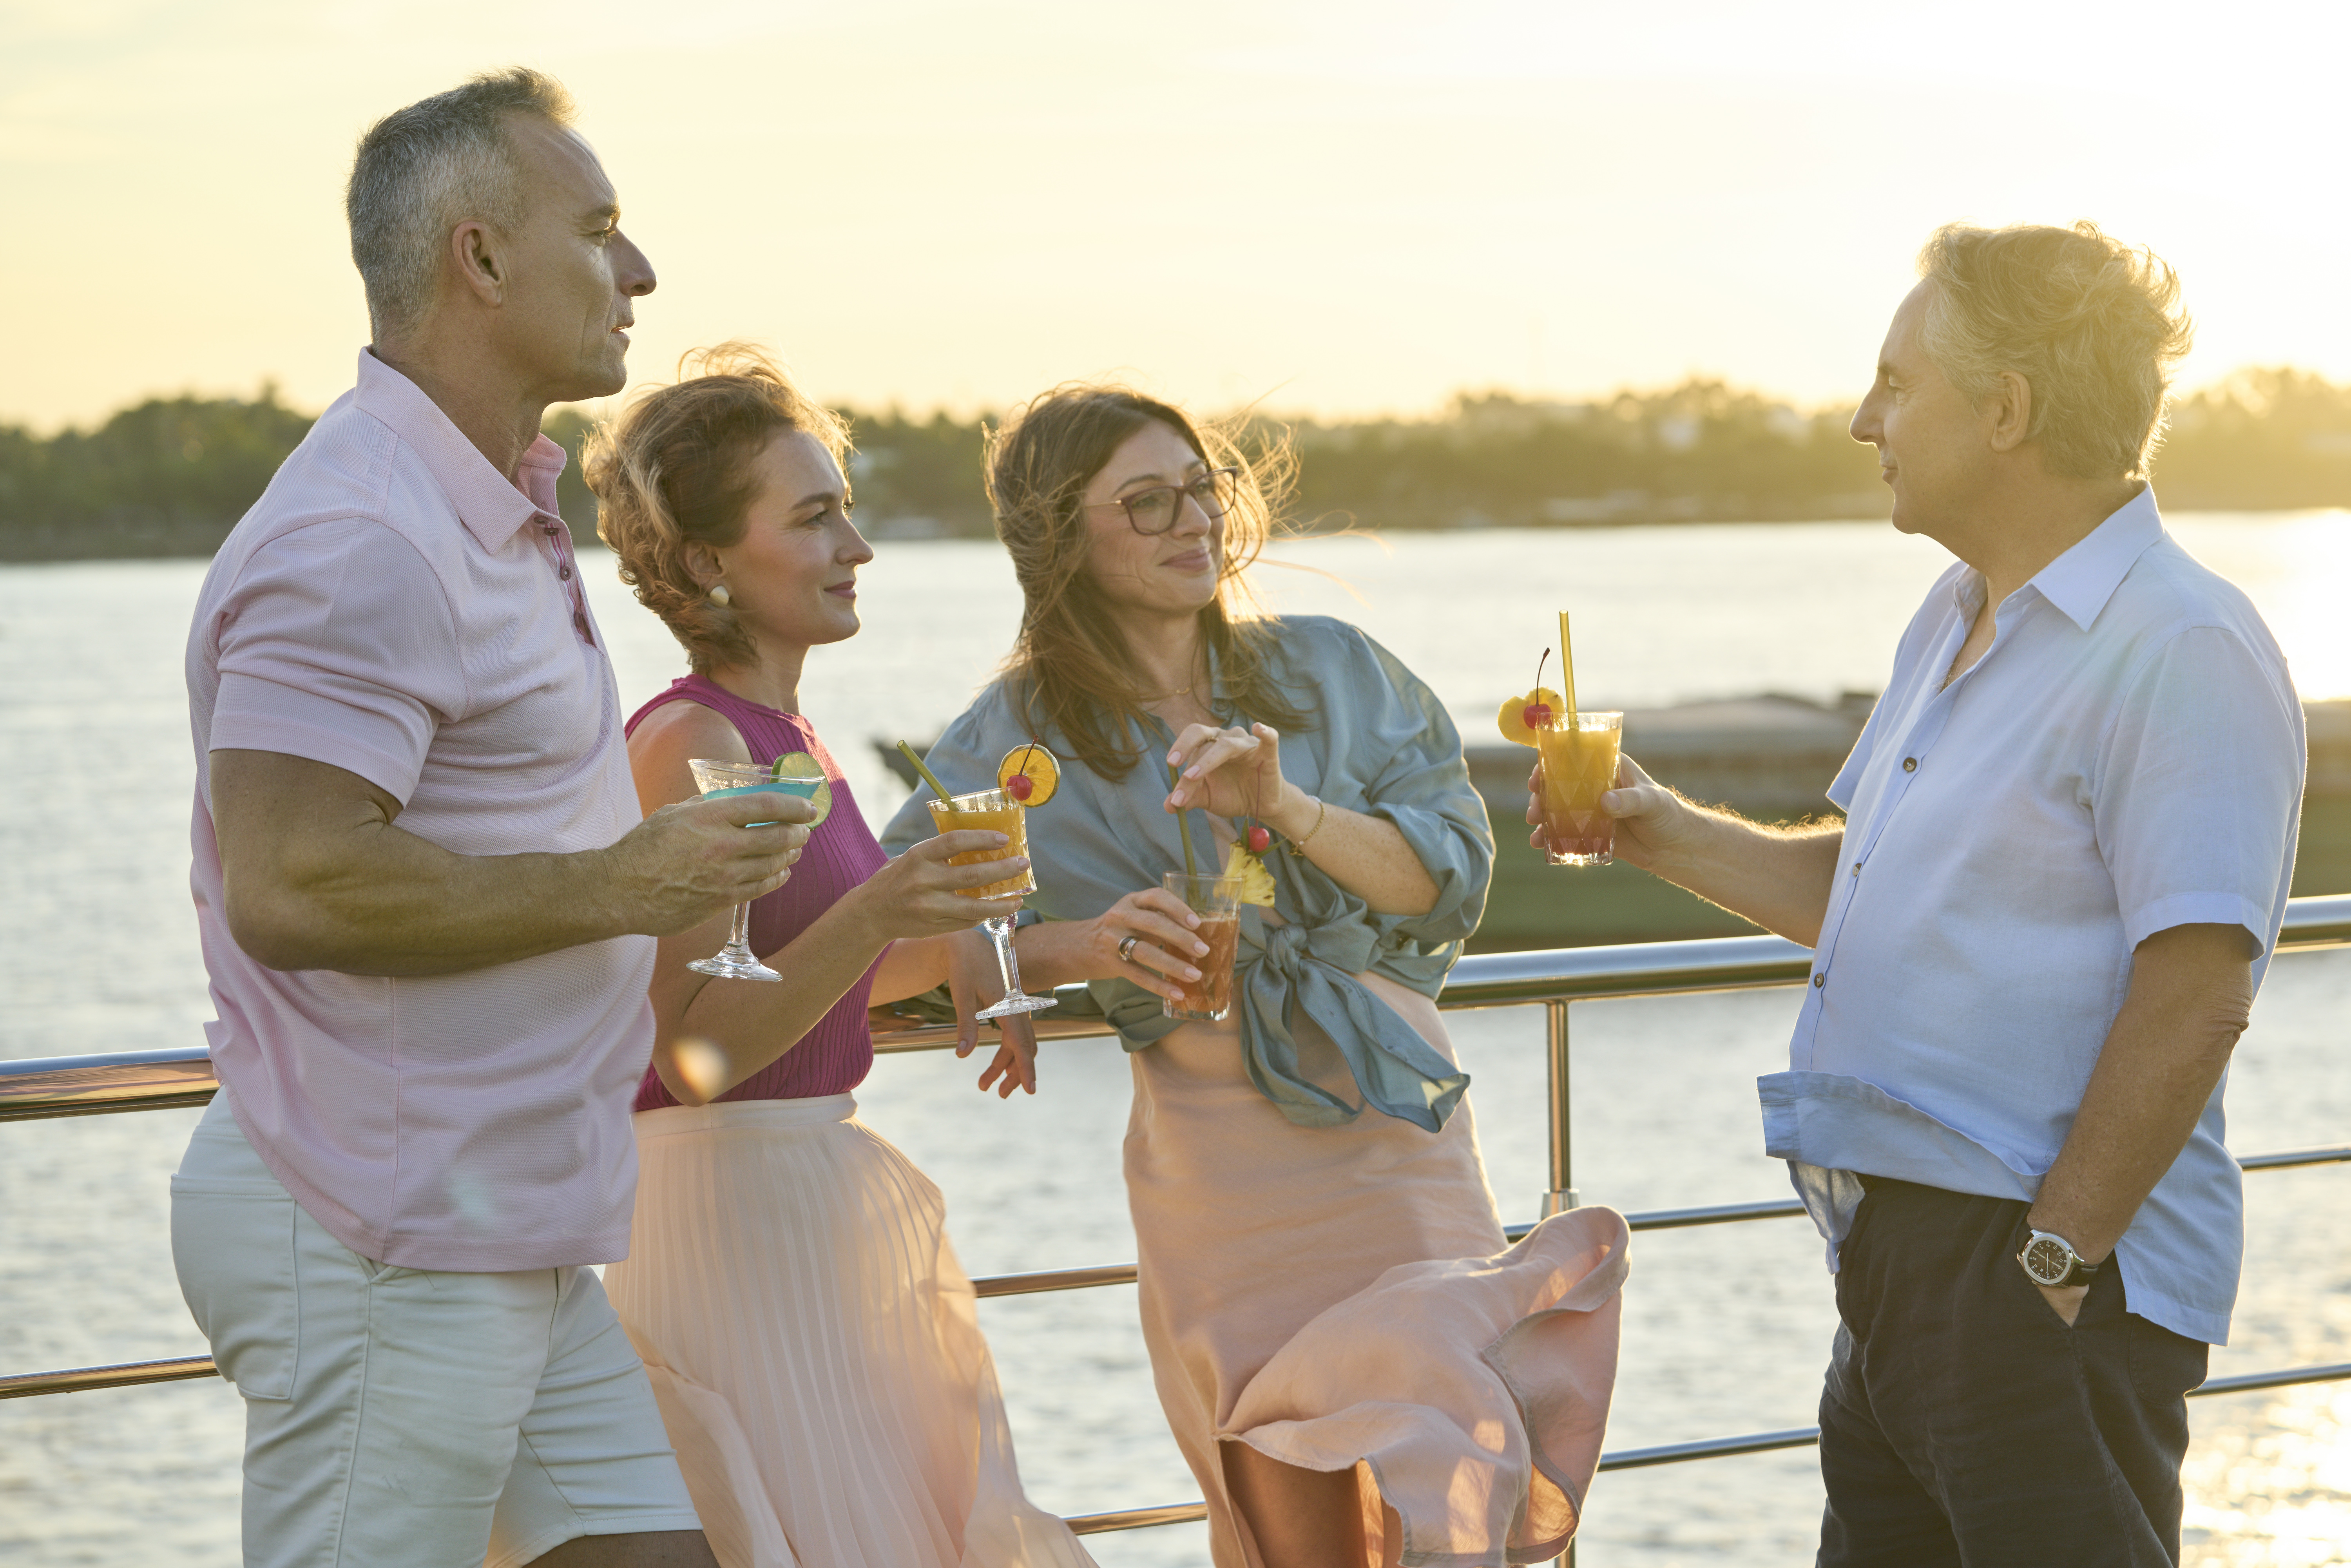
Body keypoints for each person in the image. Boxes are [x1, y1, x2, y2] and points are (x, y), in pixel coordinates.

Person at [1563, 223, 2304, 1566]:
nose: (1864, 418)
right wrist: (1651, 829)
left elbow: (2200, 986)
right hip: (1898, 1265)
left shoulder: (2181, 641)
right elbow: (1863, 892)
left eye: (1897, 384)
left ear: (2008, 410)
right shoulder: (1952, 615)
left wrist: (2050, 1267)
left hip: (2038, 1268)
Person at [171, 71, 805, 1568]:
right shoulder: (362, 535)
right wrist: (625, 884)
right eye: (600, 230)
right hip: (381, 1228)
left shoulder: (488, 503)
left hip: (492, 1221)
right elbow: (290, 881)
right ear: (480, 257)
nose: (639, 273)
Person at [882, 385, 1630, 1568]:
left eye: (1203, 487)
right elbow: (879, 948)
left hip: (1399, 1151)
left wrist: (1286, 804)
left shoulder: (1333, 672)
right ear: (1058, 537)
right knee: (1294, 1534)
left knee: (1454, 1516)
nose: (1195, 520)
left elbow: (1443, 881)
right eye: (1147, 500)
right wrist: (1052, 950)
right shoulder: (1011, 746)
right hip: (1223, 1191)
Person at [585, 347, 1098, 1568]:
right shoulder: (691, 739)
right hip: (727, 1225)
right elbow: (702, 1048)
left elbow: (819, 978)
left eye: (846, 513)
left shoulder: (784, 733)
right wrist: (880, 914)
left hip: (806, 1220)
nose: (856, 547)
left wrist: (1049, 942)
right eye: (814, 519)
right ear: (708, 561)